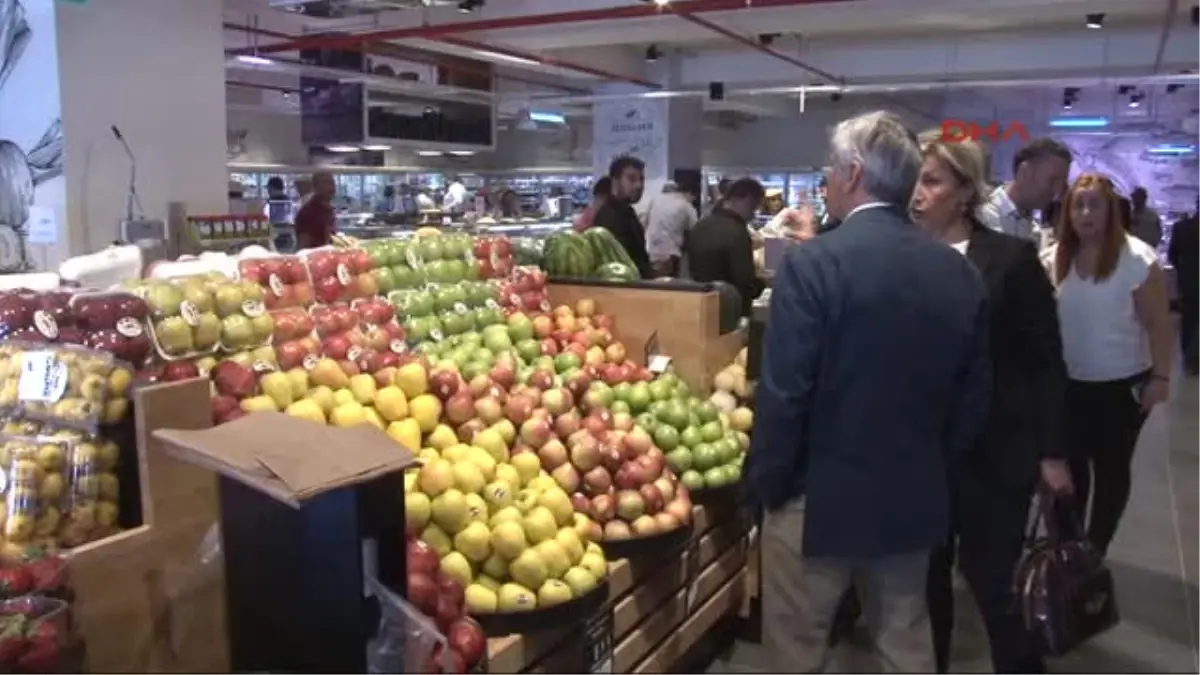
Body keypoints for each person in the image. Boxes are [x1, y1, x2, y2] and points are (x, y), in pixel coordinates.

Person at [747, 111, 990, 673]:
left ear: (854, 174)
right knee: (904, 640)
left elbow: (785, 395)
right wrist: (933, 470)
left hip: (814, 497)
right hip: (910, 493)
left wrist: (768, 488)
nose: (828, 180)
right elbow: (973, 400)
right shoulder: (958, 273)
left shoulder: (814, 264)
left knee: (796, 647)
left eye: (832, 169)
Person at [910, 133, 1070, 674]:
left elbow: (1046, 359)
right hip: (922, 454)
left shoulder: (1010, 259)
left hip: (995, 451)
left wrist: (1051, 452)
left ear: (964, 191)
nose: (918, 193)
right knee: (925, 587)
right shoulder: (900, 257)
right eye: (915, 179)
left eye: (931, 180)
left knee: (996, 584)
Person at [1043, 173, 1174, 557]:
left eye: (1094, 204)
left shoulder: (1137, 260)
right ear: (1067, 212)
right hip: (1069, 387)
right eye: (1078, 205)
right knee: (1072, 474)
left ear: (1110, 211)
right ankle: (1070, 548)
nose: (1086, 213)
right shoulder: (1052, 259)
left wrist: (1162, 376)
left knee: (1112, 471)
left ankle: (1095, 549)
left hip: (1121, 386)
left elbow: (1158, 323)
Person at [686, 178, 767, 317]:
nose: (753, 215)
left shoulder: (701, 225)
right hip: (729, 311)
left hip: (698, 306)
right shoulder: (736, 231)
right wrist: (761, 284)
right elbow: (744, 281)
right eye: (754, 207)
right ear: (747, 199)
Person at [978, 138, 1072, 242]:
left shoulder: (1036, 229)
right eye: (1052, 180)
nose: (1057, 190)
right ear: (1025, 173)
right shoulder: (984, 217)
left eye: (1062, 183)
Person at [593, 156, 653, 278]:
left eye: (641, 179)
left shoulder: (627, 212)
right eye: (631, 179)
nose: (639, 185)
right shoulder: (609, 217)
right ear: (615, 180)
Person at [1169, 195, 1200, 372]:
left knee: (1188, 320)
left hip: (1187, 280)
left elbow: (1172, 255)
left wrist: (1182, 270)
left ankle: (1189, 359)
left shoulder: (1181, 228)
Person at [646, 182, 699, 276]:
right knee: (669, 284)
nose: (693, 201)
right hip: (669, 252)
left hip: (650, 247)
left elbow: (646, 221)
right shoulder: (686, 205)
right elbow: (697, 230)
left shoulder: (657, 199)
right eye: (694, 198)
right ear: (690, 193)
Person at [293, 171, 336, 249]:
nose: (331, 187)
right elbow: (303, 246)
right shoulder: (308, 212)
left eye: (332, 182)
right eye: (325, 182)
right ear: (315, 187)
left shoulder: (328, 210)